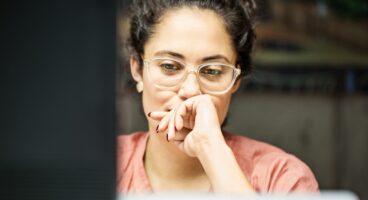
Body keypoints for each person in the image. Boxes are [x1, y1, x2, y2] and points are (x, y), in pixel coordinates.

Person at [117, 0, 318, 193]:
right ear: (137, 69)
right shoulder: (99, 165)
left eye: (212, 71)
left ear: (235, 80)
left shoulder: (282, 178)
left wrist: (210, 149)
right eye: (169, 66)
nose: (191, 90)